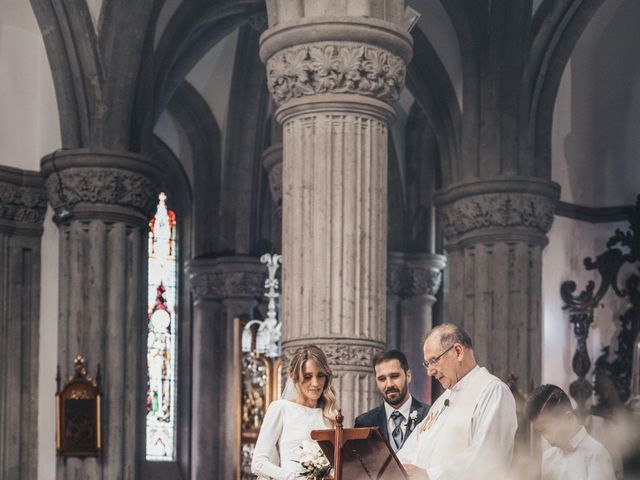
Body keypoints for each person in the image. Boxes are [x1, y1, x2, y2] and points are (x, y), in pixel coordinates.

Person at [397, 323, 517, 479]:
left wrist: (429, 475)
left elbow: (488, 459)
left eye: (434, 360)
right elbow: (414, 446)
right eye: (427, 363)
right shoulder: (442, 400)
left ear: (458, 352)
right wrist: (390, 467)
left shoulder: (492, 391)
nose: (429, 371)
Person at [251, 345, 338, 480]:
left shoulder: (330, 415)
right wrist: (295, 478)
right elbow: (258, 463)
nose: (315, 383)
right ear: (294, 376)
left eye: (320, 375)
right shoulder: (281, 409)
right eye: (308, 376)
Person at [524, 384, 616, 480]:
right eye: (540, 432)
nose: (546, 437)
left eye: (547, 430)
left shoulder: (596, 455)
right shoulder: (548, 457)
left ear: (568, 418)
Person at [354, 350, 430, 451]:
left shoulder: (429, 415)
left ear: (408, 376)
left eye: (394, 376)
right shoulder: (364, 423)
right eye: (382, 379)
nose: (389, 384)